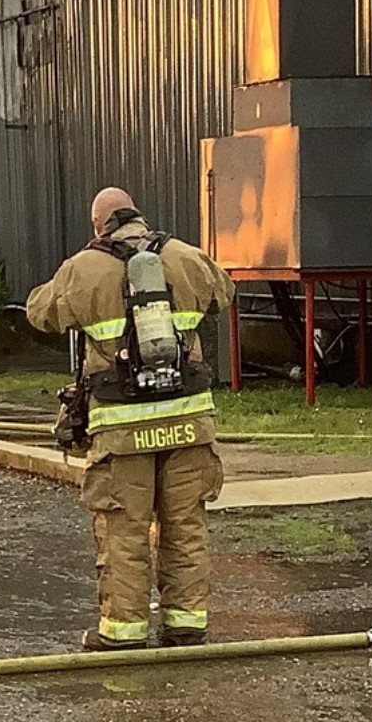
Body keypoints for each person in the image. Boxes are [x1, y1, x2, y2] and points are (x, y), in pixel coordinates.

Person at [24, 187, 235, 650]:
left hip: (122, 430)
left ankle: (123, 633)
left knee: (124, 529)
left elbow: (39, 311)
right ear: (138, 215)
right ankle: (186, 624)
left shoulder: (84, 268)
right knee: (186, 525)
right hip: (189, 423)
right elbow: (225, 291)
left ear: (98, 225)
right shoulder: (184, 255)